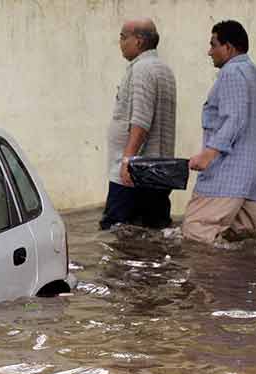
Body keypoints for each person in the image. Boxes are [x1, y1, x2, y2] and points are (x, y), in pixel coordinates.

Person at [183, 20, 256, 244]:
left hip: (226, 178)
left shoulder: (231, 72)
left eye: (213, 45)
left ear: (228, 47)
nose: (209, 52)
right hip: (255, 179)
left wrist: (208, 155)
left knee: (196, 234)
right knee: (240, 244)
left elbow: (234, 118)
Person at [100, 18, 177, 230]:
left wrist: (127, 161)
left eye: (123, 37)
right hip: (158, 171)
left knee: (117, 231)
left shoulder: (142, 69)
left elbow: (141, 121)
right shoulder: (164, 70)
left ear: (139, 41)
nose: (120, 43)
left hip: (134, 173)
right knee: (153, 230)